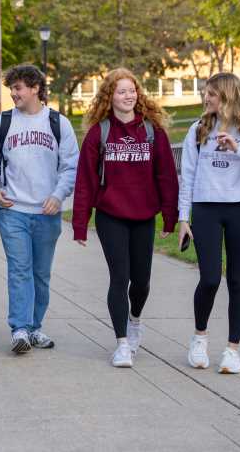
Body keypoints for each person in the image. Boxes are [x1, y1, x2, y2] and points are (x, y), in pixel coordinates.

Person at [71, 68, 179, 368]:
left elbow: (167, 177)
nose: (128, 96)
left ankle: (135, 320)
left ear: (138, 94)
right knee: (119, 277)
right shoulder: (99, 133)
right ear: (110, 96)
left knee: (141, 282)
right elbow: (86, 182)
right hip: (111, 216)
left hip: (144, 215)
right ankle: (121, 344)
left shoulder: (152, 131)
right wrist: (80, 224)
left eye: (132, 91)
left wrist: (170, 217)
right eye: (121, 91)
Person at [178, 72, 240, 374]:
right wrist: (184, 218)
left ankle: (232, 350)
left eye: (211, 93)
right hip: (206, 210)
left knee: (237, 280)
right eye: (205, 93)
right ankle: (199, 339)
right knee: (209, 279)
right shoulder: (198, 130)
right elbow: (188, 178)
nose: (205, 98)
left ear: (227, 95)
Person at [0, 64, 78, 354]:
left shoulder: (59, 123)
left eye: (18, 88)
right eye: (11, 88)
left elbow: (71, 166)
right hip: (14, 212)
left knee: (40, 273)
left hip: (47, 214)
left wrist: (59, 195)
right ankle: (20, 329)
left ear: (35, 88)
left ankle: (35, 327)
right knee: (20, 270)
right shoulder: (3, 123)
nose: (13, 93)